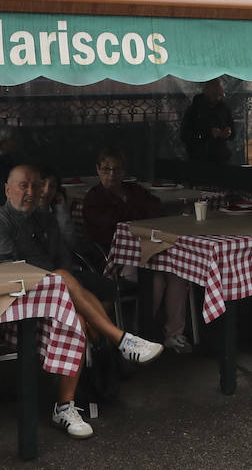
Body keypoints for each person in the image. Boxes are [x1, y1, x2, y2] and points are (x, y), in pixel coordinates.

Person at [0, 163, 164, 438]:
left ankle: (64, 407)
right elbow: (10, 271)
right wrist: (56, 278)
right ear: (7, 189)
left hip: (54, 297)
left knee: (77, 309)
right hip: (13, 307)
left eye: (35, 186)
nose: (31, 192)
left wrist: (59, 280)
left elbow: (64, 255)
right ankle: (120, 340)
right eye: (23, 186)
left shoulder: (44, 218)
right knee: (63, 277)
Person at [81, 147, 195, 354]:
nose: (112, 174)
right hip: (118, 259)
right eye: (106, 169)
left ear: (124, 171)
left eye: (117, 170)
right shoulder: (94, 198)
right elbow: (110, 227)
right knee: (155, 280)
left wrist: (133, 212)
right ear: (98, 170)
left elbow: (156, 208)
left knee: (178, 275)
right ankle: (144, 335)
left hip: (150, 251)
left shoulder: (133, 190)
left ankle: (174, 334)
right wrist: (135, 213)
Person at [180, 78, 234, 166]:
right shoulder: (194, 110)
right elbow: (185, 135)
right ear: (206, 92)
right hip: (200, 157)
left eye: (220, 95)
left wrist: (228, 132)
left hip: (221, 156)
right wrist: (209, 133)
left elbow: (232, 131)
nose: (217, 98)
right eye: (214, 94)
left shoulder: (224, 108)